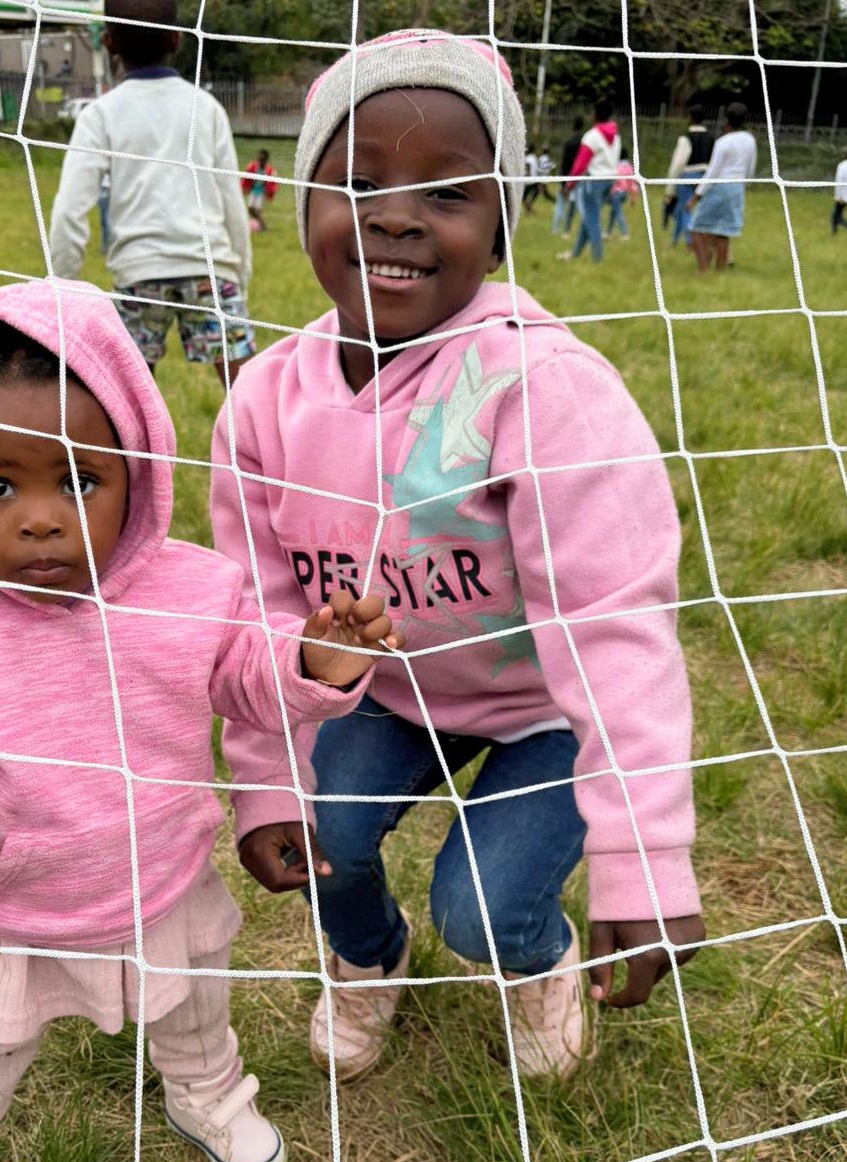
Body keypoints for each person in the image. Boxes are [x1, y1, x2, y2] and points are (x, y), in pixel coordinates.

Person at [0, 279, 402, 1162]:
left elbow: (246, 678)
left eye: (80, 480)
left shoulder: (191, 590)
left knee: (195, 1017)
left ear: (138, 468)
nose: (42, 515)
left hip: (158, 874)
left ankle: (207, 1094)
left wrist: (316, 660)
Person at [209, 31, 705, 1086]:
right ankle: (366, 956)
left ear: (503, 223)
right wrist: (262, 786)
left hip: (541, 712)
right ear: (301, 202)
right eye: (356, 182)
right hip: (385, 693)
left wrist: (643, 857)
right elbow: (253, 606)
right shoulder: (265, 398)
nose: (394, 214)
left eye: (446, 193)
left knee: (480, 909)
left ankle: (538, 960)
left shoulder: (539, 386)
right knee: (323, 836)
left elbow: (616, 622)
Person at [48, 0, 254, 389]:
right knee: (248, 399)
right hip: (210, 272)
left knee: (127, 408)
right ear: (177, 40)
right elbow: (231, 200)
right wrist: (239, 276)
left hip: (139, 278)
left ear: (108, 43)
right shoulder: (205, 108)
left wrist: (63, 283)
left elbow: (70, 210)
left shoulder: (101, 114)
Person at [687, 102, 757, 273]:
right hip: (737, 187)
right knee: (723, 232)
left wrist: (696, 196)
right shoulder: (750, 140)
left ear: (726, 121)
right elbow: (751, 166)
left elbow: (713, 171)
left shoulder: (723, 142)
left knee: (696, 228)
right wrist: (743, 185)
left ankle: (703, 270)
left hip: (720, 187)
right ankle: (720, 271)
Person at [557, 98, 621, 263]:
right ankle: (575, 254)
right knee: (588, 219)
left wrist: (569, 185)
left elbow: (580, 165)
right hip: (610, 180)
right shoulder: (616, 136)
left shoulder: (592, 136)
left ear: (595, 115)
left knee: (592, 221)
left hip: (594, 181)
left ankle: (597, 260)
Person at [665, 104, 714, 247]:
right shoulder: (711, 138)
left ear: (690, 117)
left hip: (687, 176)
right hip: (706, 176)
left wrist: (670, 188)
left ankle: (691, 241)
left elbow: (678, 164)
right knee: (685, 209)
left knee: (685, 209)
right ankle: (674, 240)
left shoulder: (685, 138)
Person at [551, 116, 584, 238]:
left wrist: (563, 182)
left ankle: (555, 230)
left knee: (560, 205)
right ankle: (567, 230)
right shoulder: (583, 144)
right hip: (578, 178)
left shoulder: (568, 143)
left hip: (565, 177)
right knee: (574, 206)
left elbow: (564, 162)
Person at [242, 148, 279, 232]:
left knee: (257, 209)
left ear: (265, 159)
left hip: (262, 192)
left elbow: (273, 182)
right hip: (253, 190)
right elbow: (246, 177)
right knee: (250, 208)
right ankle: (261, 224)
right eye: (259, 157)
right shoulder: (253, 166)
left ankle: (262, 226)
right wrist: (245, 188)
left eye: (262, 158)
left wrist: (269, 192)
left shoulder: (269, 170)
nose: (259, 159)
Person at [605, 150, 637, 240]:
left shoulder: (615, 166)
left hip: (616, 193)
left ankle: (625, 233)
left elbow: (614, 179)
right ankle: (608, 232)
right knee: (613, 213)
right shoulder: (629, 167)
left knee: (618, 213)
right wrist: (633, 197)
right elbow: (632, 183)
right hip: (624, 193)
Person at [522, 142, 540, 212]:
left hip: (529, 181)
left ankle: (530, 208)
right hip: (535, 180)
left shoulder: (528, 158)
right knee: (534, 194)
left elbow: (528, 171)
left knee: (523, 198)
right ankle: (530, 207)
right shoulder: (534, 158)